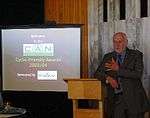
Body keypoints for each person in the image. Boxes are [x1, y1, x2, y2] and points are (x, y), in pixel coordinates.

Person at [94, 32, 150, 118]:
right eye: (114, 42)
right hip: (116, 100)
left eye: (119, 41)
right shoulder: (108, 57)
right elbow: (97, 73)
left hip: (134, 100)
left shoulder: (136, 55)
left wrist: (118, 69)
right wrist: (108, 78)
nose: (117, 45)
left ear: (126, 42)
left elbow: (137, 74)